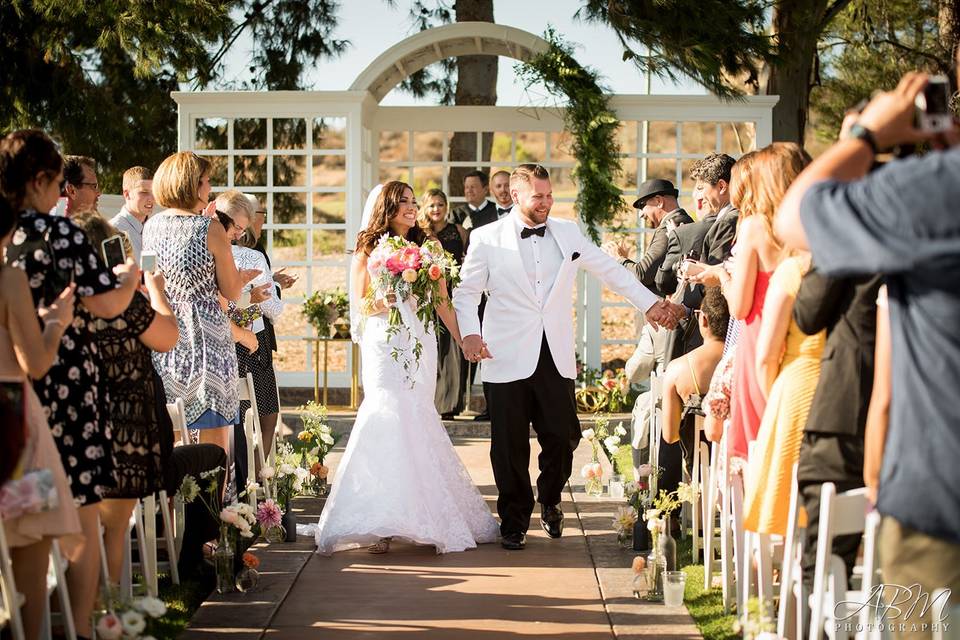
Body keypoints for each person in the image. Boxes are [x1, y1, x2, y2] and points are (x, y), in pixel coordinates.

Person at [775, 69, 960, 636]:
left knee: (825, 554)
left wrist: (866, 134)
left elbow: (807, 292)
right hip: (877, 429)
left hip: (930, 489)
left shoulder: (926, 199)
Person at [453, 164, 684, 551]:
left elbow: (611, 271)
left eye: (549, 195)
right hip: (504, 353)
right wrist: (471, 334)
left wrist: (649, 304)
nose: (546, 203)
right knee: (508, 444)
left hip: (554, 353)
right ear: (514, 195)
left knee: (563, 436)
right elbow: (466, 292)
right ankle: (513, 522)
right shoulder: (486, 238)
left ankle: (550, 496)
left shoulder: (567, 232)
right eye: (537, 197)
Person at [2, 129, 141, 639]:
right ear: (39, 180)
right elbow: (105, 303)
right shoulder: (59, 235)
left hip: (14, 392)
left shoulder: (7, 237)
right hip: (65, 381)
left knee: (25, 518)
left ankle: (28, 621)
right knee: (79, 510)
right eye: (59, 183)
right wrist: (128, 278)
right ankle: (80, 629)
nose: (62, 194)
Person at [314, 181, 499, 555]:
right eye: (403, 202)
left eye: (414, 202)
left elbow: (443, 302)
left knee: (417, 416)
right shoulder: (368, 249)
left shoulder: (428, 247)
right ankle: (380, 520)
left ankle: (426, 514)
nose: (412, 208)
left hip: (420, 341)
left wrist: (464, 339)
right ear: (387, 207)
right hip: (384, 343)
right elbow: (360, 308)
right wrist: (388, 296)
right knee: (385, 416)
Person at [72, 211, 180, 586]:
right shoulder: (122, 303)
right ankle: (109, 610)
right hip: (127, 430)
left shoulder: (63, 300)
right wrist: (155, 290)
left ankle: (77, 615)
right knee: (112, 532)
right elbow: (168, 337)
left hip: (77, 423)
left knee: (77, 536)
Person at [689, 144, 811, 460]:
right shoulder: (809, 223)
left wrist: (721, 276)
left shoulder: (756, 225)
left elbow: (740, 306)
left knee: (758, 444)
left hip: (759, 337)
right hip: (801, 338)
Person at [142, 152, 258, 467]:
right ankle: (211, 514)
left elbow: (150, 276)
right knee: (215, 446)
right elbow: (232, 290)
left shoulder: (151, 227)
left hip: (168, 337)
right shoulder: (209, 228)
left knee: (175, 436)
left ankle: (179, 510)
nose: (209, 187)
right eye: (206, 181)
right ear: (193, 184)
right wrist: (239, 277)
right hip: (207, 339)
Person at [0, 196, 81, 640]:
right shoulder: (8, 278)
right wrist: (55, 322)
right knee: (32, 536)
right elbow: (35, 361)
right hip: (13, 417)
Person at [793, 267, 882, 594]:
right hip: (920, 417)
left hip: (846, 417)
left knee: (824, 563)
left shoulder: (852, 229)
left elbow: (808, 311)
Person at [741, 251, 824, 537]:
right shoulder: (866, 266)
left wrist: (773, 403)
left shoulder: (794, 270)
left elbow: (766, 357)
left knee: (788, 504)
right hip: (849, 388)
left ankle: (783, 571)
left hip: (797, 393)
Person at [660, 286, 729, 506]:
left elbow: (670, 435)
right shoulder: (744, 361)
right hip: (741, 467)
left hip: (701, 475)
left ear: (704, 320)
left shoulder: (678, 368)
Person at [418, 188, 469, 419]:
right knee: (431, 349)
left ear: (446, 207)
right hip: (427, 298)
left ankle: (448, 405)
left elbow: (467, 261)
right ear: (424, 208)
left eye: (440, 204)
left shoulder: (459, 232)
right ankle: (428, 402)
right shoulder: (419, 234)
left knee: (452, 353)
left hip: (452, 295)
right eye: (431, 205)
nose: (436, 209)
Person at [606, 178, 694, 295]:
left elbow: (642, 275)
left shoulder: (668, 228)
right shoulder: (687, 221)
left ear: (659, 201)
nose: (641, 214)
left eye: (642, 205)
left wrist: (618, 258)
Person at [110, 165, 154, 262]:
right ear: (127, 194)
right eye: (144, 192)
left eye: (153, 192)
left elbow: (149, 269)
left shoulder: (153, 229)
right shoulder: (114, 230)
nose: (151, 198)